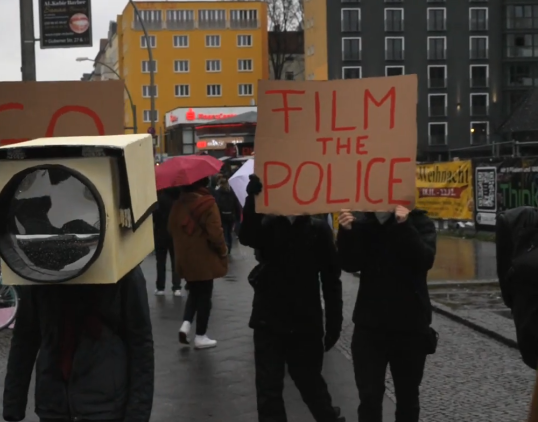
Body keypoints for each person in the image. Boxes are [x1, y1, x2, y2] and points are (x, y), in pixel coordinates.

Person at [0, 181, 155, 422]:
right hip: (56, 402)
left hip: (102, 405)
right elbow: (26, 336)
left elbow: (140, 341)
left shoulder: (122, 269)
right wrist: (13, 404)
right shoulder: (41, 269)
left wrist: (137, 414)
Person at [239, 175, 346, 422]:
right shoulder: (266, 224)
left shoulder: (318, 230)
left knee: (311, 384)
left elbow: (331, 280)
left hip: (304, 321)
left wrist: (334, 322)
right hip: (269, 319)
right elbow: (247, 236)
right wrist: (252, 200)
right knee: (268, 391)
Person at [337, 207, 437, 422]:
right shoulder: (362, 222)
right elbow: (349, 263)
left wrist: (404, 226)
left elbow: (424, 260)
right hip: (370, 327)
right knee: (369, 396)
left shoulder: (419, 221)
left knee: (408, 397)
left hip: (410, 327)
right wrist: (346, 231)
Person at [168, 176, 228, 350]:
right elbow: (216, 233)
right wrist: (223, 251)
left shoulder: (178, 204)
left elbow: (170, 228)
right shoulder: (208, 203)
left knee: (194, 292)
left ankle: (186, 325)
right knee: (205, 296)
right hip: (204, 259)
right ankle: (201, 336)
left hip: (185, 259)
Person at [153, 187, 182, 296]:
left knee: (160, 262)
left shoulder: (159, 199)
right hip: (175, 234)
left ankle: (160, 287)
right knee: (175, 261)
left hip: (160, 234)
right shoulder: (179, 200)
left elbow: (154, 217)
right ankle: (177, 287)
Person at [214, 178, 240, 254]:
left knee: (224, 231)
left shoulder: (217, 193)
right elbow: (236, 205)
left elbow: (216, 204)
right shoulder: (231, 192)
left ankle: (226, 246)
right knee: (229, 232)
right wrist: (237, 217)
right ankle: (229, 247)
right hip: (231, 216)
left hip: (222, 215)